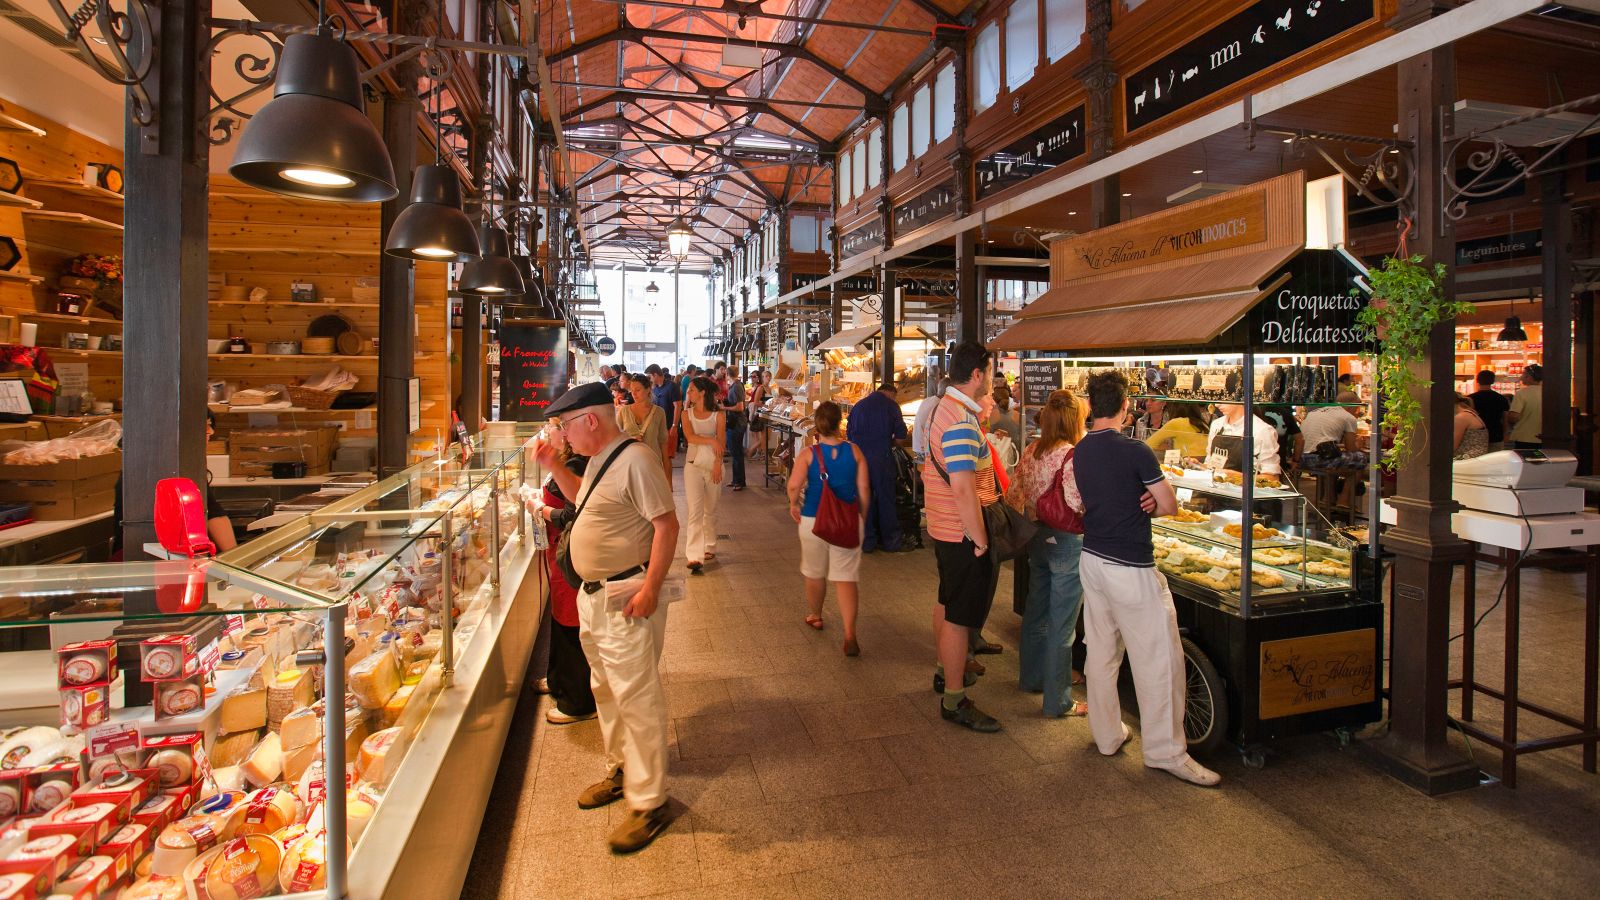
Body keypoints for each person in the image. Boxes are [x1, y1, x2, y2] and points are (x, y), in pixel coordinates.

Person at [536, 382, 681, 853]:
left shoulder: (635, 460)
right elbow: (585, 501)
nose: (563, 435)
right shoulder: (601, 458)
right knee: (607, 689)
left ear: (590, 421)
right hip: (593, 597)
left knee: (636, 696)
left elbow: (666, 524)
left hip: (626, 595)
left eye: (565, 426)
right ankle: (624, 770)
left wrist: (652, 588)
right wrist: (555, 466)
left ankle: (650, 800)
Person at [1075, 371, 1220, 787]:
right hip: (1130, 565)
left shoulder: (1082, 450)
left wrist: (1145, 500)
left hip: (1094, 559)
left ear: (1090, 406)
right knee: (1159, 659)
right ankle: (1166, 752)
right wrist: (1151, 503)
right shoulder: (1135, 450)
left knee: (1101, 652)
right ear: (1125, 407)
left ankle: (1107, 735)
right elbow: (1170, 504)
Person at [922, 340, 1003, 732]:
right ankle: (954, 699)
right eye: (989, 371)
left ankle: (944, 671)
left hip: (943, 526)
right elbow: (963, 488)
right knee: (958, 616)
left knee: (946, 599)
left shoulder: (944, 407)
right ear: (977, 375)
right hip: (961, 532)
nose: (992, 378)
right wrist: (980, 538)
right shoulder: (958, 420)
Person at [1007, 388, 1088, 718]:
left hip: (1037, 538)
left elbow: (1013, 493)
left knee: (1036, 611)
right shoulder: (1073, 455)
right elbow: (1078, 503)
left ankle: (1031, 678)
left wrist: (1032, 509)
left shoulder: (1033, 450)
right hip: (1068, 541)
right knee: (1063, 624)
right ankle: (1058, 701)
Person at [787, 401, 870, 656]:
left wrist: (793, 504)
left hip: (813, 520)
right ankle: (849, 633)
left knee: (814, 572)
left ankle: (816, 615)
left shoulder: (809, 454)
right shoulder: (855, 451)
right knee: (845, 579)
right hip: (847, 521)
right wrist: (862, 517)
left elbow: (793, 485)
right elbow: (864, 490)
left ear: (817, 425)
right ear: (839, 423)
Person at [530, 442, 596, 725]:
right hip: (559, 551)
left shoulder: (578, 465)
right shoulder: (569, 461)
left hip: (569, 550)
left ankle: (577, 700)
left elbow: (572, 513)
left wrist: (539, 509)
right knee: (560, 619)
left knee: (571, 622)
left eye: (560, 424)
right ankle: (558, 680)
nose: (551, 432)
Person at [847, 382, 911, 553]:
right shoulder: (891, 406)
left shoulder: (858, 406)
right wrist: (888, 444)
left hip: (859, 459)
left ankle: (866, 541)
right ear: (890, 393)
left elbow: (849, 433)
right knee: (886, 499)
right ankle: (891, 541)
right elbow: (900, 436)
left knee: (863, 499)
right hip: (882, 459)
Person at [681, 376, 724, 574]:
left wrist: (717, 464)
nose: (688, 393)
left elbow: (721, 442)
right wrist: (711, 441)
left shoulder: (718, 415)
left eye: (691, 390)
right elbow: (690, 437)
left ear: (702, 392)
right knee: (695, 510)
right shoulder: (686, 413)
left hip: (713, 465)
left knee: (711, 509)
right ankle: (694, 555)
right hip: (693, 465)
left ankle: (710, 545)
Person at [1198, 402, 1281, 476]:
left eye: (1223, 400)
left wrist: (1234, 476)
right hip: (1213, 489)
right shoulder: (1216, 424)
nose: (1217, 405)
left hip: (1243, 492)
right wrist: (1198, 465)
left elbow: (1272, 478)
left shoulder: (1262, 430)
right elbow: (1210, 465)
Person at [1300, 391, 1364, 468]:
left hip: (1301, 458)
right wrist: (1358, 445)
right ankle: (1348, 480)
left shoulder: (1314, 412)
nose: (1356, 412)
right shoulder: (1348, 417)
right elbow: (1351, 449)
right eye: (1356, 408)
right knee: (1360, 457)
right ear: (1351, 405)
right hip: (1320, 459)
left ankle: (1330, 480)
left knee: (1338, 455)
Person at [618, 374, 668, 466]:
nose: (634, 394)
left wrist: (667, 474)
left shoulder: (659, 412)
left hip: (652, 463)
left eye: (638, 390)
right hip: (629, 463)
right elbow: (614, 439)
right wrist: (629, 439)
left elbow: (663, 443)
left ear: (648, 389)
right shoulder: (624, 411)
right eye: (632, 390)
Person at [647, 366, 682, 484]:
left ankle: (669, 485)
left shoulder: (672, 386)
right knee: (656, 457)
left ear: (655, 375)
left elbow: (678, 406)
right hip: (656, 428)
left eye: (650, 376)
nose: (650, 379)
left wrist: (674, 425)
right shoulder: (655, 389)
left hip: (668, 426)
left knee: (667, 457)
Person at [1144, 402, 1209, 459]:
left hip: (1186, 463)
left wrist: (1165, 447)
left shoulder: (1176, 422)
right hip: (1203, 464)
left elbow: (1149, 444)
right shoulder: (1203, 424)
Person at [721, 366, 748, 490]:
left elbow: (740, 407)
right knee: (734, 452)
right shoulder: (734, 385)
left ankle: (739, 482)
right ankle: (736, 479)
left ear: (727, 373)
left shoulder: (736, 386)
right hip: (734, 422)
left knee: (736, 453)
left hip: (737, 423)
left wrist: (724, 408)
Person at [1469, 370, 1510, 449]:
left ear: (1477, 380)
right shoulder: (1501, 398)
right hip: (1496, 434)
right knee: (1495, 460)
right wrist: (1505, 434)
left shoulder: (1470, 398)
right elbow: (1505, 419)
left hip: (1477, 435)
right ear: (1493, 381)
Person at [1505, 364, 1543, 449]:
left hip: (1524, 437)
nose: (1521, 377)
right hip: (1544, 437)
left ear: (1529, 377)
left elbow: (1514, 416)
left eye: (1523, 374)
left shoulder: (1521, 393)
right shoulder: (1549, 392)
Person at [1454, 394, 1490, 460]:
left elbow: (1452, 446)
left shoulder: (1461, 417)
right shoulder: (1470, 413)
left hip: (1467, 460)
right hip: (1476, 459)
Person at [745, 370, 769, 460]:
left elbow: (755, 401)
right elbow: (755, 401)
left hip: (758, 412)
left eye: (754, 376)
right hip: (756, 412)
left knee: (761, 434)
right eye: (751, 376)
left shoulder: (761, 387)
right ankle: (757, 452)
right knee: (757, 434)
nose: (752, 378)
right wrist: (766, 405)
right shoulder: (759, 387)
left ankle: (757, 452)